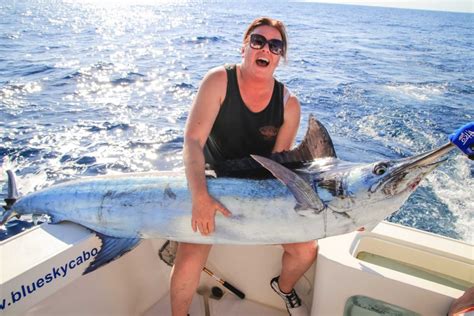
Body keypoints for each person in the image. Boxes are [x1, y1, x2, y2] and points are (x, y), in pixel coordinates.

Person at [170, 17, 317, 316]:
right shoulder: (218, 80)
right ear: (244, 47)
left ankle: (284, 288)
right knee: (188, 260)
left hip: (258, 190)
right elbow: (193, 142)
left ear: (280, 57)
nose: (266, 49)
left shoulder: (289, 105)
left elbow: (279, 167)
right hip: (211, 183)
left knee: (306, 250)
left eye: (275, 45)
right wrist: (200, 197)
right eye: (258, 41)